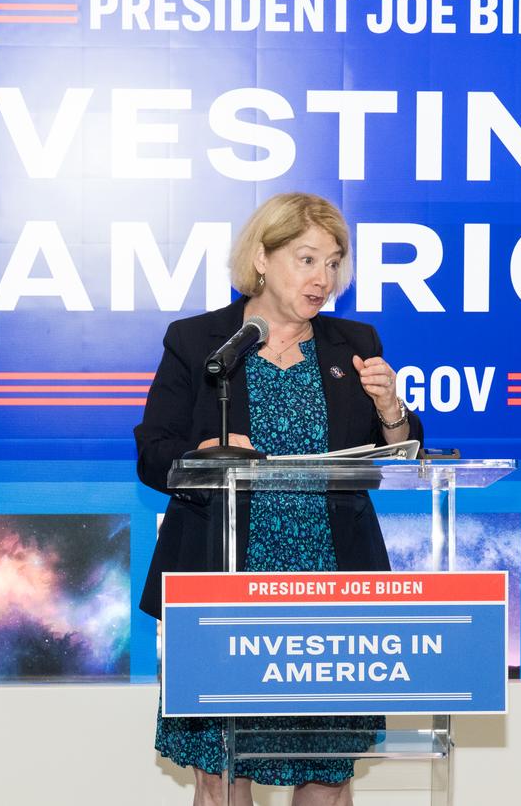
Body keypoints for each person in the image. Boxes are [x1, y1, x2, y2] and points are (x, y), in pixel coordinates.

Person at [135, 193, 423, 806]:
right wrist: (204, 452)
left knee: (326, 771)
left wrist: (391, 411)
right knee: (222, 773)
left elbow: (403, 449)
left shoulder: (354, 342)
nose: (323, 279)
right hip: (224, 585)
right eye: (307, 259)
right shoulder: (199, 342)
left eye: (333, 263)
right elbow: (153, 451)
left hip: (330, 589)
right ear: (261, 259)